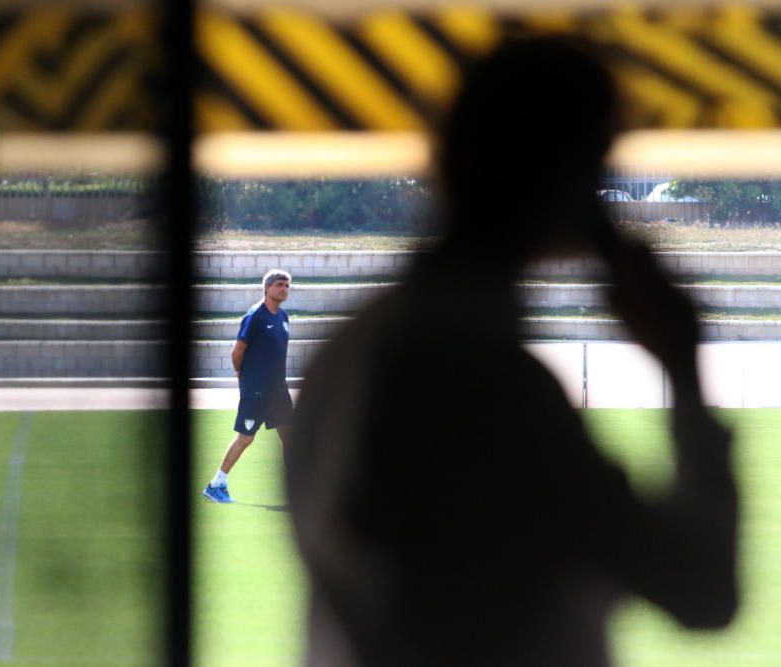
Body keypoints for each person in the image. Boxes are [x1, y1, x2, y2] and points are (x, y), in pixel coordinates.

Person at [286, 37, 738, 666]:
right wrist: (682, 369)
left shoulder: (351, 347)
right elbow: (703, 590)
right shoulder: (482, 380)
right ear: (571, 180)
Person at [203, 269, 294, 504]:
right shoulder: (255, 316)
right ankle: (216, 484)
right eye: (280, 285)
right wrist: (242, 376)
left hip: (279, 390)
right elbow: (237, 351)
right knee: (245, 438)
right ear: (267, 288)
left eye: (287, 285)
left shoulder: (283, 318)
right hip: (257, 390)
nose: (284, 289)